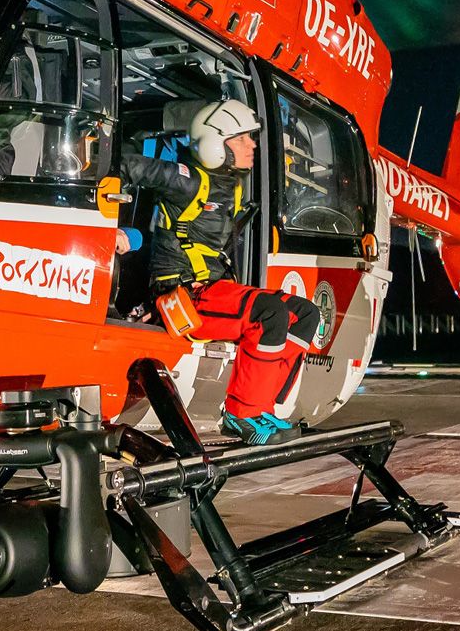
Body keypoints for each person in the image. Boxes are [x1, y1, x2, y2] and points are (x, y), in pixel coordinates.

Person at [112, 99, 324, 445]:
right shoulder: (188, 181)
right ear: (215, 144)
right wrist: (103, 216)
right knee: (269, 312)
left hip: (211, 290)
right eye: (242, 139)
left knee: (305, 313)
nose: (252, 145)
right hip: (181, 295)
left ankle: (264, 409)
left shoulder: (231, 187)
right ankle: (241, 416)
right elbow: (126, 165)